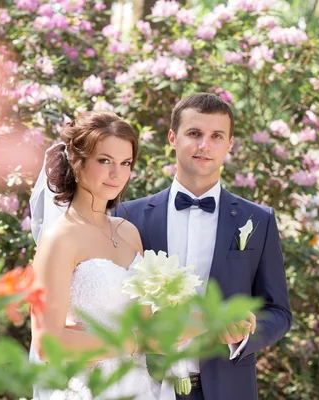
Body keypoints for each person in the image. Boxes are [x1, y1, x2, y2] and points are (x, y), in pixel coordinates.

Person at [114, 93, 292, 400]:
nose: (204, 145)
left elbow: (278, 311)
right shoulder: (128, 215)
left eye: (216, 136)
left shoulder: (258, 220)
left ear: (229, 144)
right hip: (146, 386)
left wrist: (244, 333)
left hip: (228, 388)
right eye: (194, 133)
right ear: (173, 137)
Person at [28, 111, 161, 399]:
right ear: (76, 162)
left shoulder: (129, 233)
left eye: (125, 163)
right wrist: (128, 343)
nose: (117, 174)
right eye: (105, 161)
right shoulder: (60, 239)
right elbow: (45, 343)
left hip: (138, 387)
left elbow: (146, 324)